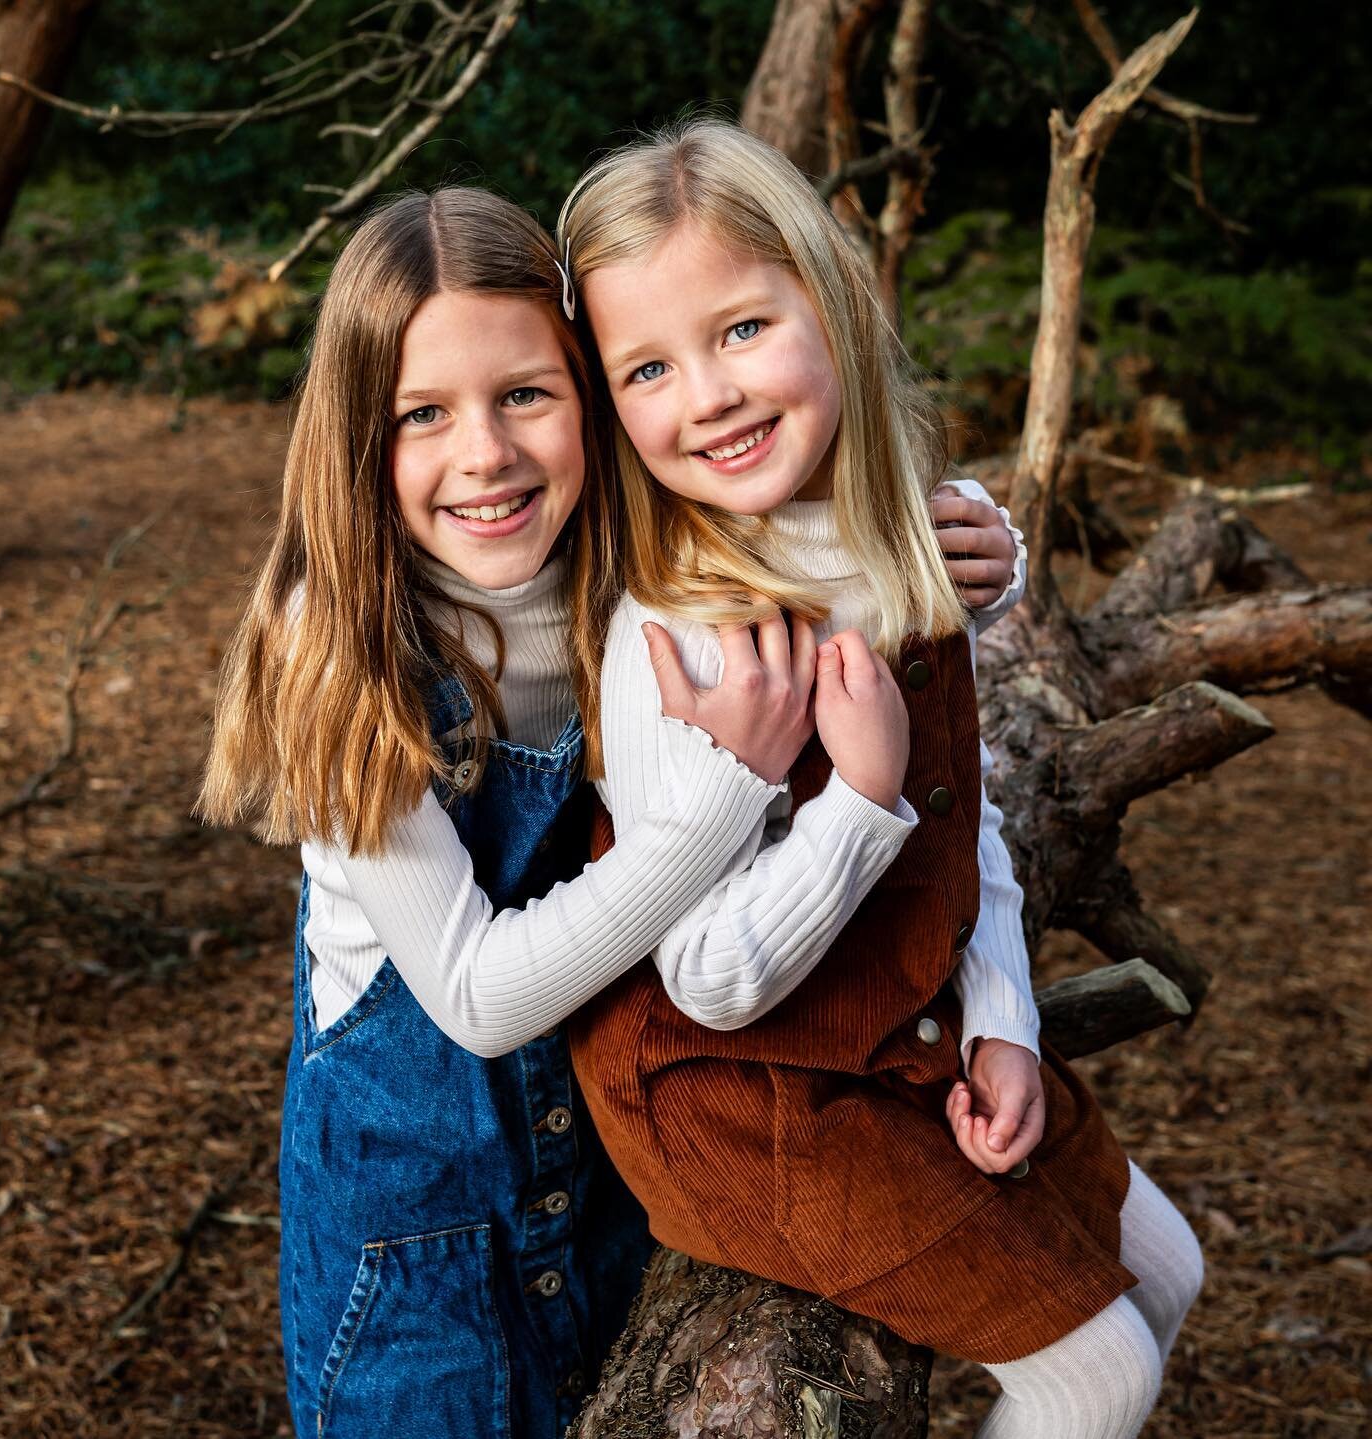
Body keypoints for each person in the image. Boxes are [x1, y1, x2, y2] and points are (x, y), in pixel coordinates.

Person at [197, 186, 1023, 1439]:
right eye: (423, 414)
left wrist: (964, 544)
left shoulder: (623, 570)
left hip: (613, 1189)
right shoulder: (345, 647)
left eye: (526, 393)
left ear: (592, 395)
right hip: (423, 1260)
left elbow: (822, 543)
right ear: (357, 438)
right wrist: (715, 804)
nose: (486, 453)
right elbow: (479, 1001)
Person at [560, 117, 1203, 1439]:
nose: (709, 393)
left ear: (834, 300)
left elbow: (969, 826)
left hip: (898, 1027)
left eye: (742, 328)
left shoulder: (910, 545)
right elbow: (709, 980)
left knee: (1173, 1270)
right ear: (611, 404)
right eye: (647, 367)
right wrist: (857, 802)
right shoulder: (675, 635)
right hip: (742, 1089)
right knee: (1102, 1376)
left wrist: (1004, 1018)